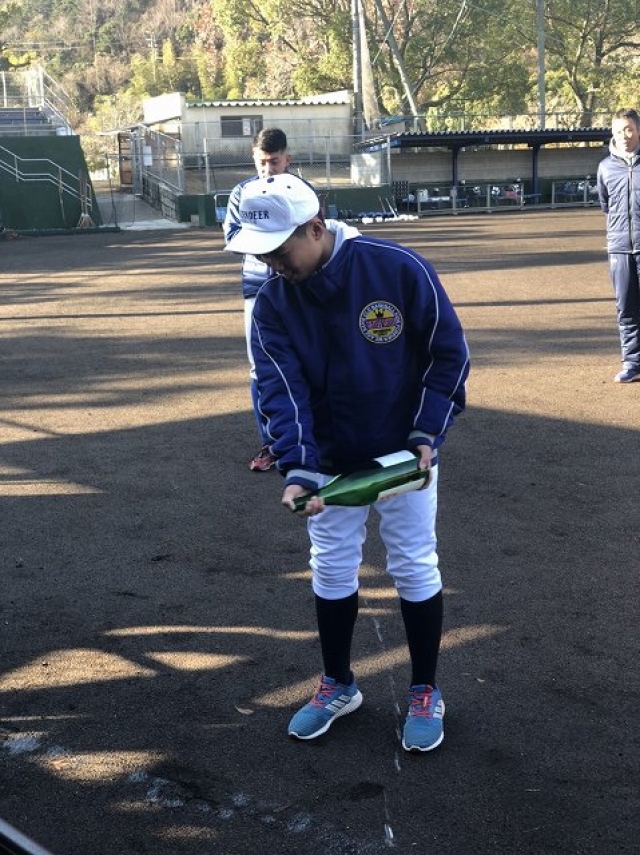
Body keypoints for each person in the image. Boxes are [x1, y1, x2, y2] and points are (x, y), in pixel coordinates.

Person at [226, 174, 470, 752]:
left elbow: (449, 354)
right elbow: (281, 392)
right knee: (332, 568)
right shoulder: (272, 303)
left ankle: (425, 690)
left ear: (315, 228)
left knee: (413, 564)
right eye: (260, 254)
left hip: (403, 456)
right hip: (330, 462)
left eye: (278, 250)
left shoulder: (397, 268)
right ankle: (338, 684)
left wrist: (427, 432)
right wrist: (298, 467)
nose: (271, 263)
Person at [223, 128, 292, 469]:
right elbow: (233, 237)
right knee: (260, 367)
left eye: (274, 162)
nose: (267, 169)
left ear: (287, 159)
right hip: (258, 288)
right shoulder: (242, 193)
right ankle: (271, 443)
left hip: (299, 286)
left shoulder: (300, 191)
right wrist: (272, 239)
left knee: (311, 359)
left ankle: (311, 437)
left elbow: (316, 234)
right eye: (262, 162)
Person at [596, 107, 640, 383]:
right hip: (620, 247)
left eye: (628, 129)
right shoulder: (605, 167)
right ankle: (632, 362)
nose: (624, 135)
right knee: (626, 309)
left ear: (638, 130)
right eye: (618, 130)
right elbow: (606, 205)